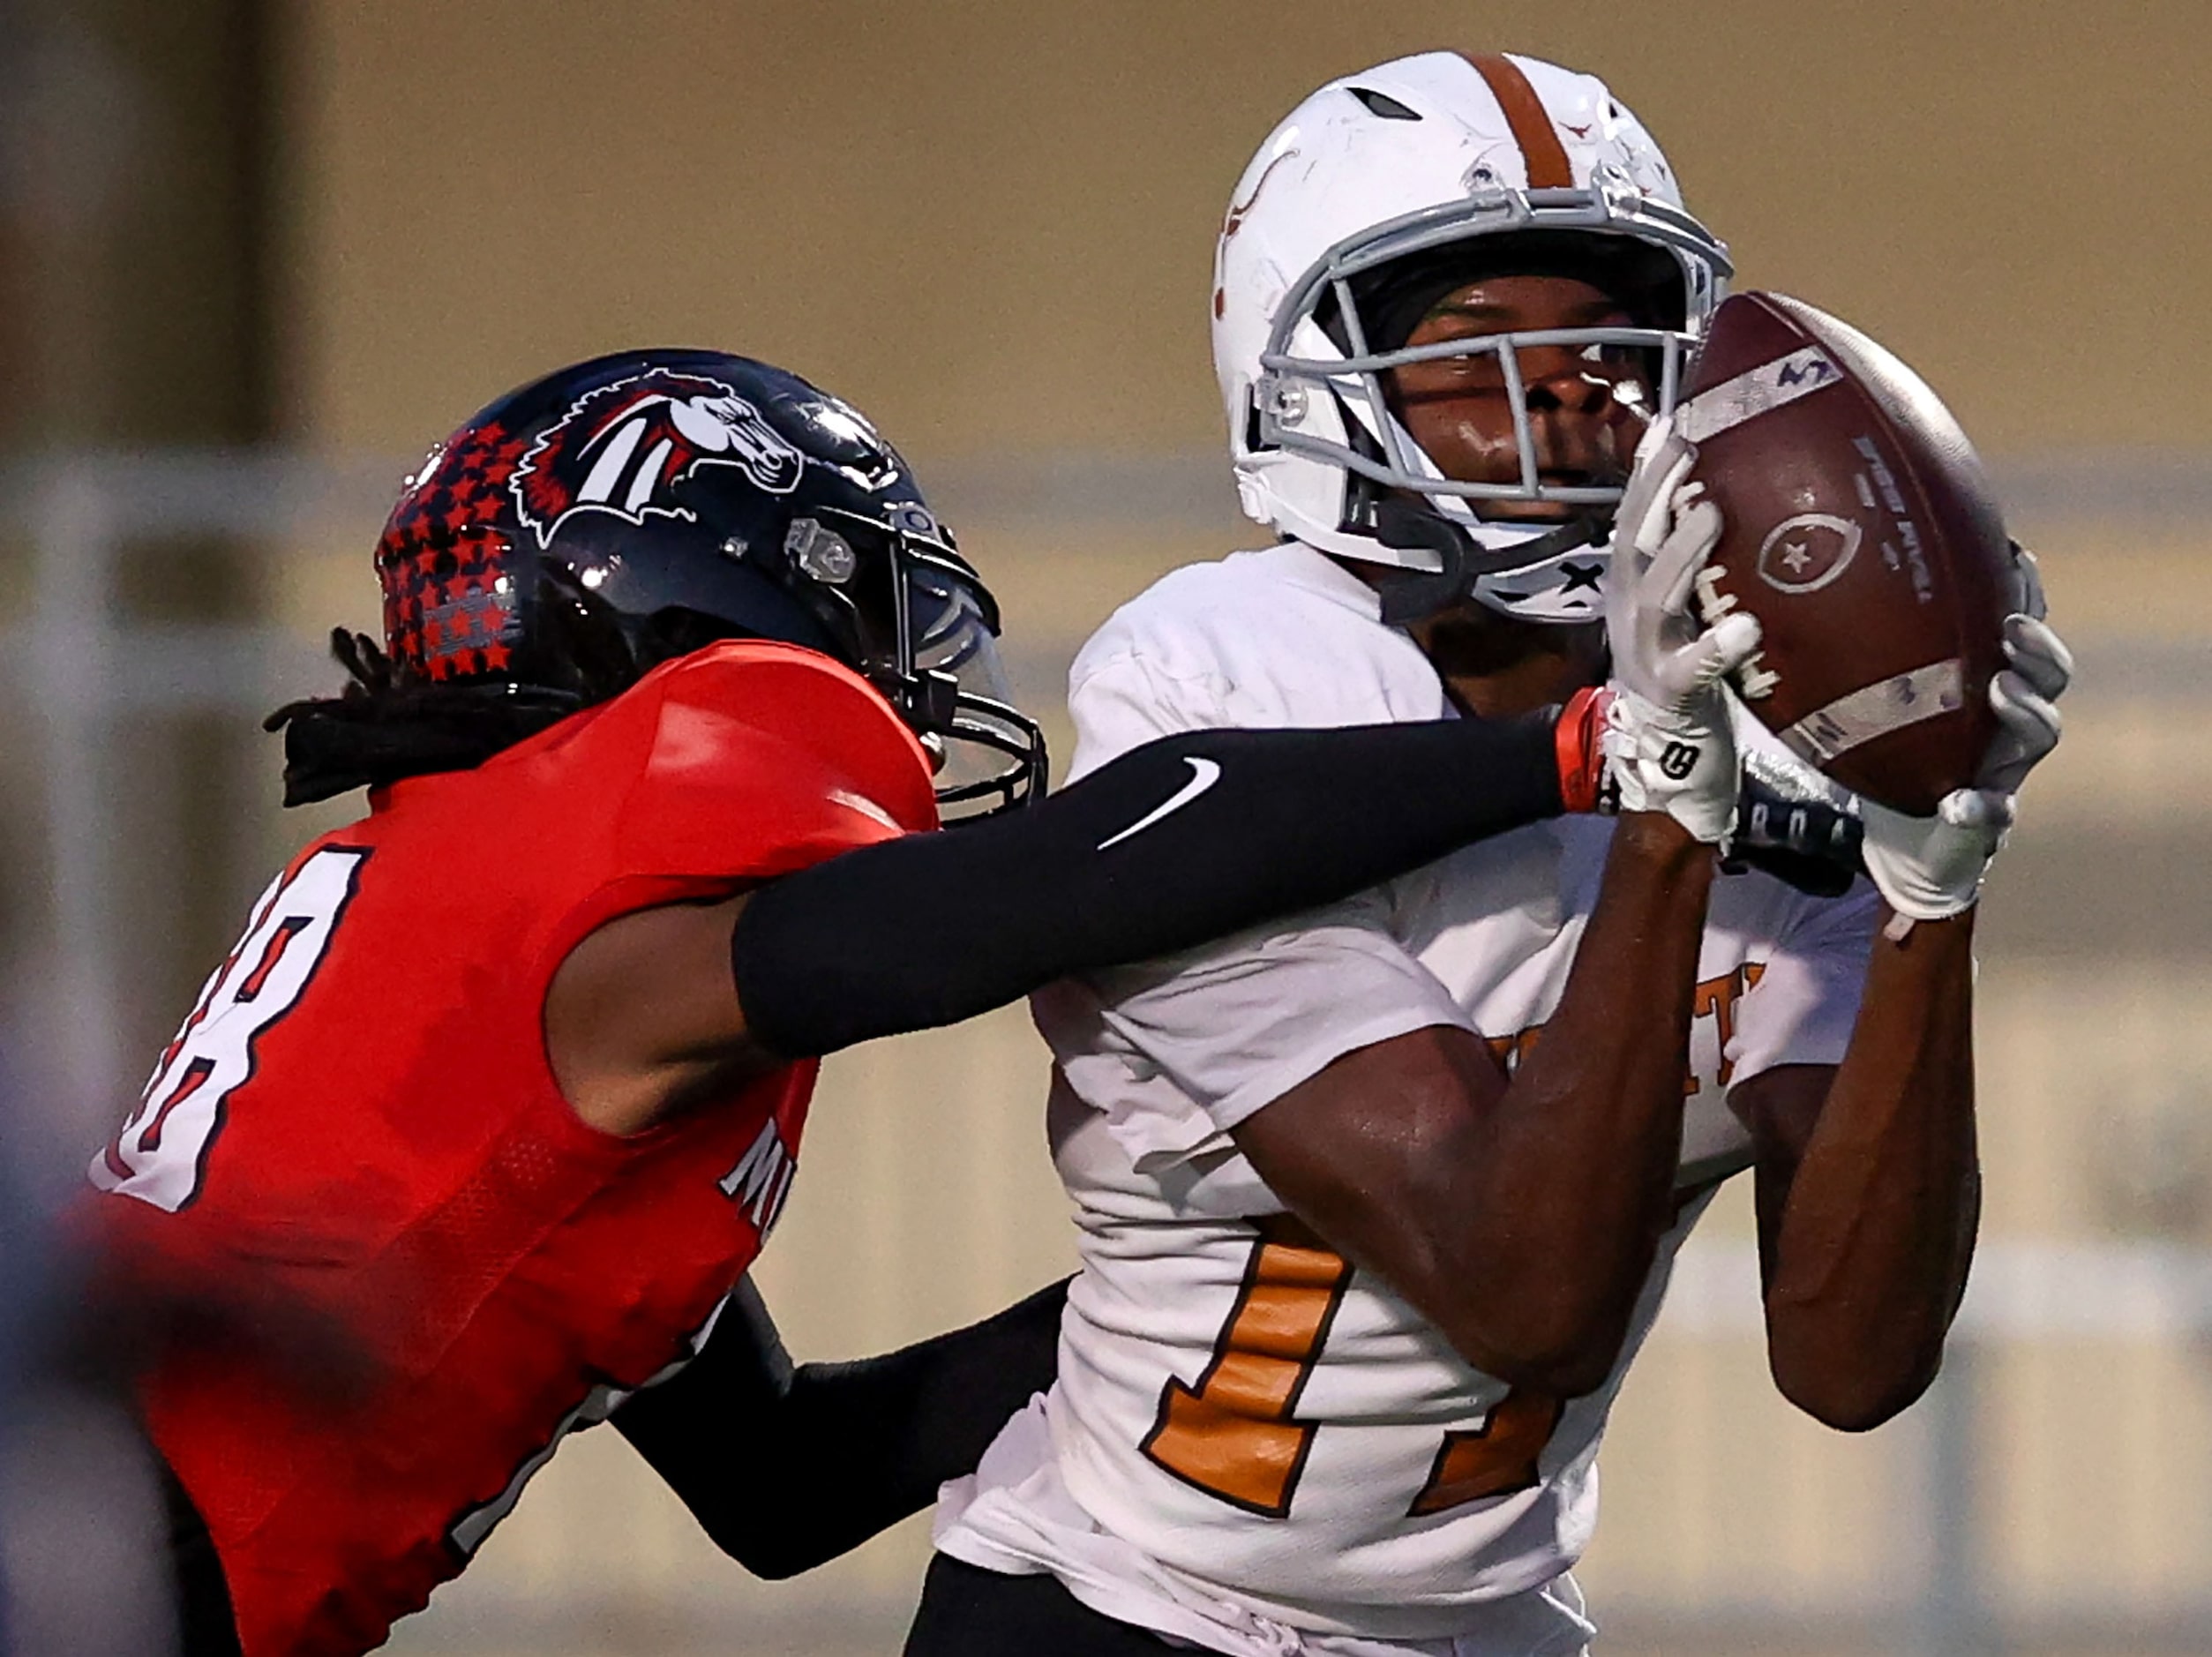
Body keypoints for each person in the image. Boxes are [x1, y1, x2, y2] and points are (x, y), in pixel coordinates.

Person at [81, 344, 1683, 1657]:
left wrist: (1191, 1309)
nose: (911, 700)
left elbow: (781, 1481)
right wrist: (1575, 750)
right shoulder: (620, 839)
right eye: (876, 627)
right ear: (715, 612)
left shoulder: (479, 941)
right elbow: (1012, 906)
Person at [910, 50, 2072, 1657]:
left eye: (1615, 342)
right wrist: (1662, 812)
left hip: (1494, 1628)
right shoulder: (1230, 683)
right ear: (1307, 368)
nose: (1578, 392)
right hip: (1127, 1607)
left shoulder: (1781, 726)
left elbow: (1853, 1360)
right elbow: (1519, 1286)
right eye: (1482, 346)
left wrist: (1932, 889)